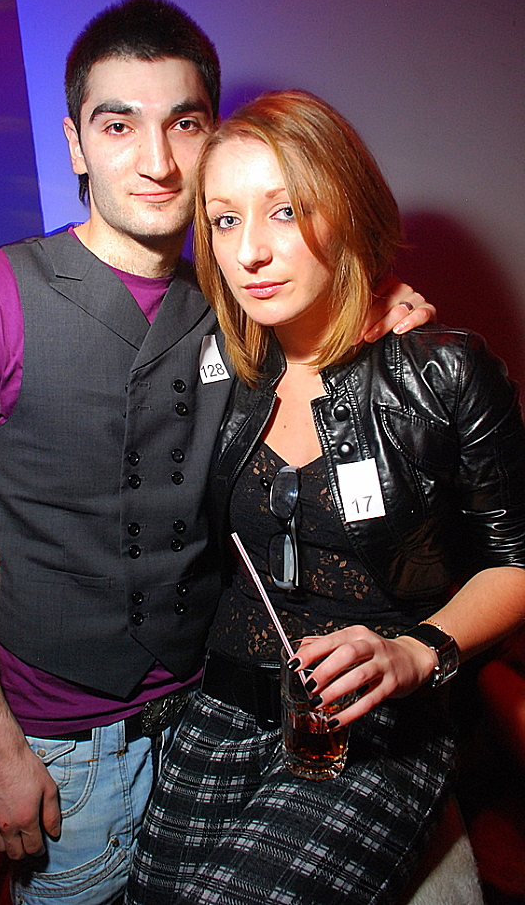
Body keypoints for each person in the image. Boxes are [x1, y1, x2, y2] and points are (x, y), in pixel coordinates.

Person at [0, 0, 433, 905]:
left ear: (212, 136)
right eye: (118, 125)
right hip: (68, 747)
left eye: (184, 124)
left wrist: (379, 305)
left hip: (215, 718)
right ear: (75, 144)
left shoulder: (237, 304)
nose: (156, 160)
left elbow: (317, 365)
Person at [125, 90, 525, 905]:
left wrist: (418, 650)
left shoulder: (441, 371)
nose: (250, 252)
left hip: (377, 723)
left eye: (286, 210)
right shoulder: (216, 365)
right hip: (220, 707)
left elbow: (515, 563)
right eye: (225, 220)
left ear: (347, 211)